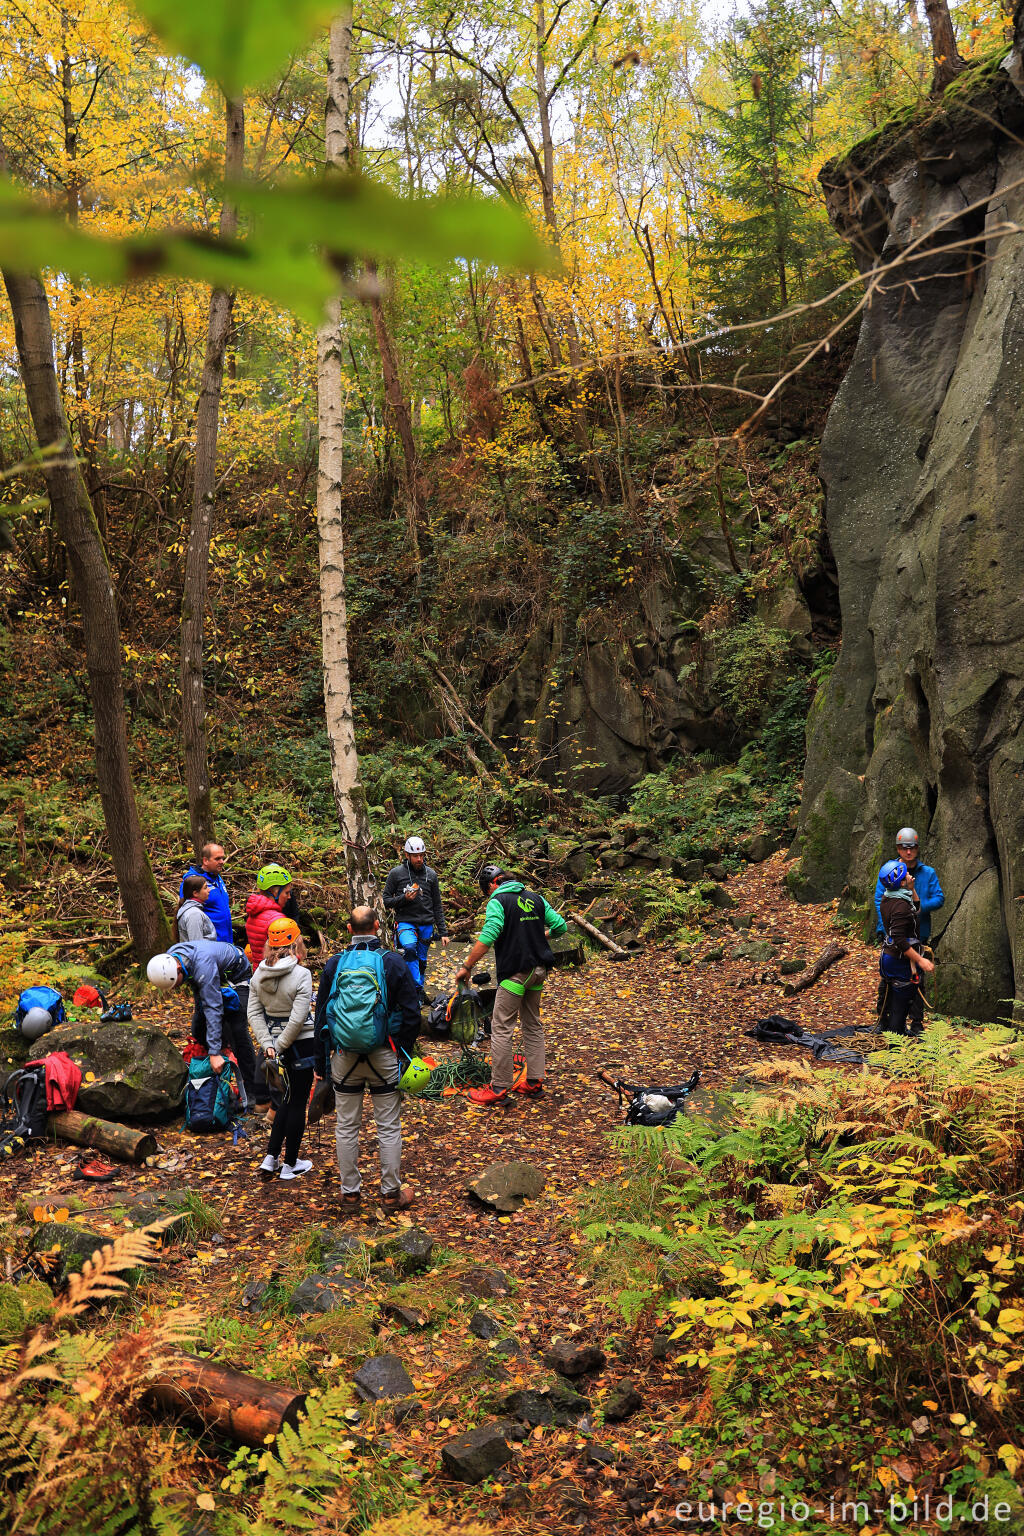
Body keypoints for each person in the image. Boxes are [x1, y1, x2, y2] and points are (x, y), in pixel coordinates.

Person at [313, 906, 420, 1211]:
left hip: (344, 1057)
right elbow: (412, 1014)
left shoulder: (334, 964)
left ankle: (350, 1194)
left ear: (348, 928)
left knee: (346, 1126)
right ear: (377, 926)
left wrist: (321, 1065)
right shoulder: (393, 962)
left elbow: (321, 1014)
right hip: (384, 1054)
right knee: (387, 1125)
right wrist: (403, 1050)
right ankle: (390, 1194)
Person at [457, 864, 567, 1106]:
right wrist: (540, 935)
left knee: (502, 1026)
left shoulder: (498, 901)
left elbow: (488, 936)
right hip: (539, 971)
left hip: (516, 973)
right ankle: (534, 1082)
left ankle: (498, 1087)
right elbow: (561, 926)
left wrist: (467, 966)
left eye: (488, 890)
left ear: (494, 884)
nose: (489, 895)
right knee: (532, 1024)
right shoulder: (535, 898)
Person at [147, 940, 258, 1106]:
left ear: (178, 970)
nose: (175, 988)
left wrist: (213, 1052)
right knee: (198, 1029)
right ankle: (218, 1066)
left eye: (174, 984)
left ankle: (255, 1094)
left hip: (237, 974)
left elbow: (214, 1008)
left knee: (236, 1031)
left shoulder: (202, 966)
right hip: (210, 976)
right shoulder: (171, 957)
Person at [248, 917, 315, 1181]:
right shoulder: (301, 974)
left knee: (286, 1099)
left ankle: (271, 1156)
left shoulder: (258, 974)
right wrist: (279, 1046)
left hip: (275, 1047)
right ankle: (289, 1164)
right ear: (296, 942)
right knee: (297, 1102)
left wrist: (268, 1045)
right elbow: (299, 1019)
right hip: (300, 1045)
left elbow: (254, 1013)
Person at [382, 836, 448, 997]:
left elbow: (437, 904)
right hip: (405, 922)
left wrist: (443, 932)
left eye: (422, 855)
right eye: (415, 856)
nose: (419, 859)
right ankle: (416, 989)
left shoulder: (431, 875)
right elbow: (386, 901)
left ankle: (417, 993)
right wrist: (404, 899)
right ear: (407, 855)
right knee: (409, 950)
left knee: (422, 962)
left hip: (426, 923)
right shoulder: (396, 874)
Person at [877, 858, 935, 1036]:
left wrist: (911, 889)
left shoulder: (891, 897)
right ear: (900, 882)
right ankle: (895, 1050)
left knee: (897, 1002)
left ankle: (893, 1037)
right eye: (906, 875)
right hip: (899, 960)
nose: (910, 875)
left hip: (892, 958)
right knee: (900, 1008)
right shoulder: (900, 906)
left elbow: (916, 909)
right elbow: (900, 940)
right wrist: (921, 961)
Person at [874, 827, 944, 944]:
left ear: (917, 848)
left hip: (919, 933)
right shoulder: (888, 871)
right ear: (897, 848)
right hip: (893, 933)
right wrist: (887, 927)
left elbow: (939, 898)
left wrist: (918, 908)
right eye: (904, 848)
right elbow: (878, 900)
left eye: (912, 848)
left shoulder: (928, 872)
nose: (908, 852)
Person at [179, 843, 233, 943]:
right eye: (217, 859)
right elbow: (188, 912)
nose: (222, 862)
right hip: (210, 944)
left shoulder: (216, 877)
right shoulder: (193, 881)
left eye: (222, 858)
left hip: (226, 942)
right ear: (205, 861)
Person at [246, 863, 295, 969]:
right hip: (274, 976)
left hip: (258, 974)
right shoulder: (277, 920)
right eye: (286, 893)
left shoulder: (254, 912)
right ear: (275, 893)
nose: (289, 897)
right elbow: (285, 957)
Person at [176, 875, 216, 943]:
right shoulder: (194, 914)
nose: (209, 890)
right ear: (195, 893)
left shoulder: (193, 910)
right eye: (205, 887)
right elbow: (196, 945)